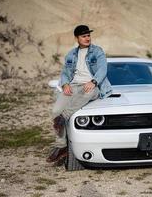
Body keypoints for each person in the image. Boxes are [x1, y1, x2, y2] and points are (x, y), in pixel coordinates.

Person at [46, 25, 112, 165]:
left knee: (86, 94)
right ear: (77, 38)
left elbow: (102, 69)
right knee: (55, 111)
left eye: (88, 35)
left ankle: (64, 118)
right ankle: (61, 146)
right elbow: (65, 73)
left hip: (91, 86)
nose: (87, 38)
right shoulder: (71, 54)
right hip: (74, 86)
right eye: (83, 36)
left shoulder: (97, 51)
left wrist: (94, 81)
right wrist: (65, 84)